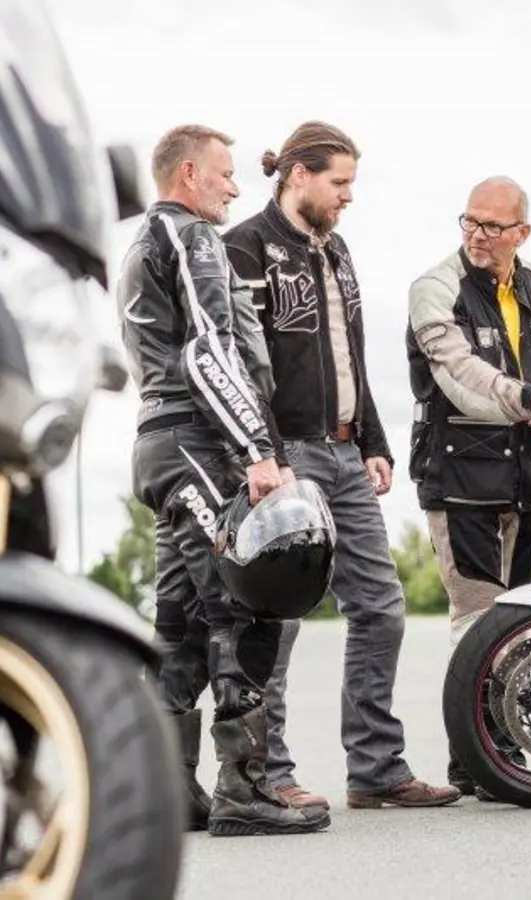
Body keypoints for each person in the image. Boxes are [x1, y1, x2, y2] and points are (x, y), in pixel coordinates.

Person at [222, 121, 461, 811]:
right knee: (279, 618)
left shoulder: (339, 249)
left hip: (346, 449)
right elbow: (242, 365)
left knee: (382, 608)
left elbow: (351, 350)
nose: (349, 196)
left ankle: (376, 770)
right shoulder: (245, 249)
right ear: (298, 174)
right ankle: (268, 773)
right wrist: (261, 454)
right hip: (285, 455)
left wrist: (375, 441)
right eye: (340, 182)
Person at [121, 124, 329, 835]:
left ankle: (171, 792)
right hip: (197, 446)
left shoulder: (143, 244)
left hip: (161, 447)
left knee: (178, 623)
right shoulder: (189, 237)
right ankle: (247, 791)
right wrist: (257, 451)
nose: (236, 188)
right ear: (187, 174)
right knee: (246, 609)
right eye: (225, 175)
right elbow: (211, 352)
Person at [406, 176, 531, 797]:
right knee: (478, 618)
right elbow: (459, 375)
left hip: (527, 475)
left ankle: (499, 747)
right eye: (470, 222)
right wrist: (525, 399)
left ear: (522, 233)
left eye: (493, 226)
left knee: (521, 620)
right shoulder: (435, 288)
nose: (478, 236)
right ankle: (474, 756)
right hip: (458, 477)